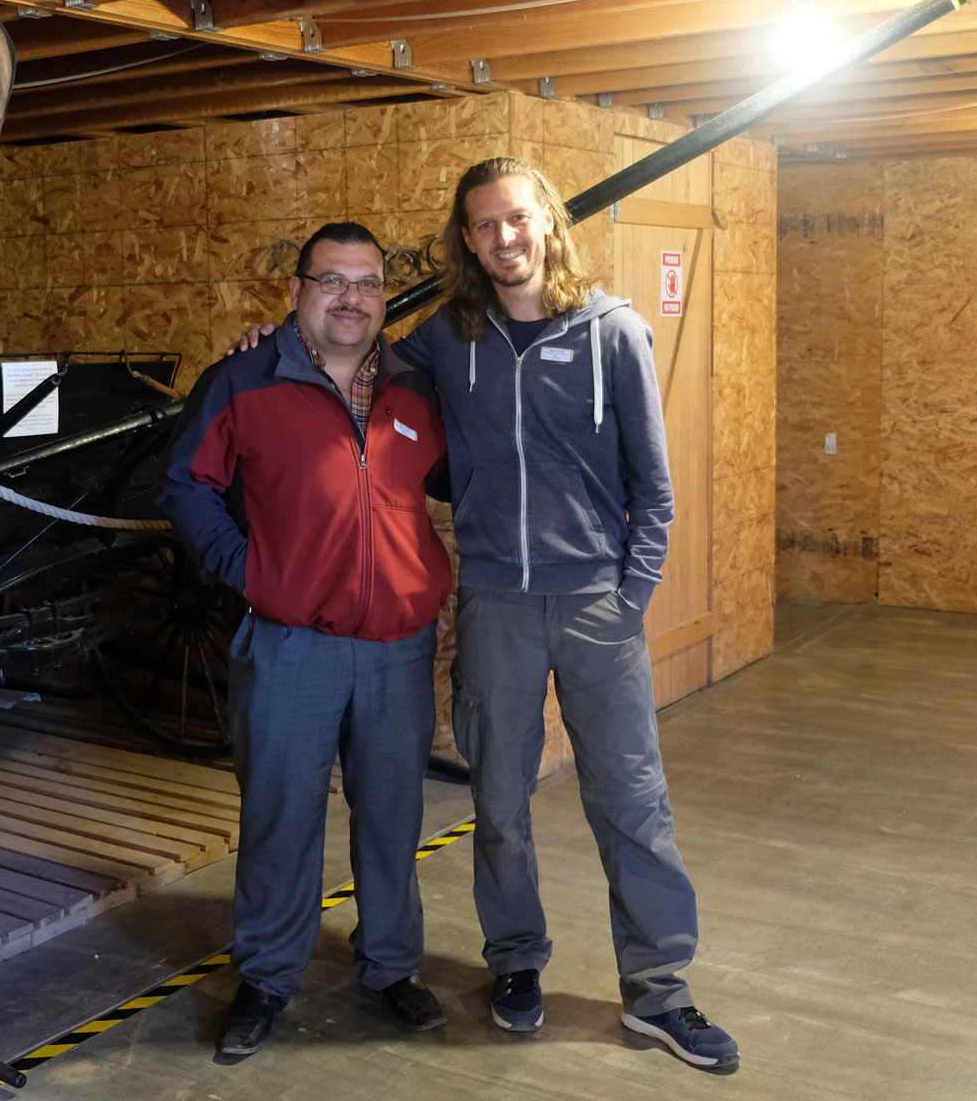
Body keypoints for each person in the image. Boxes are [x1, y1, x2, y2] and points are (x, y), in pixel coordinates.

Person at [230, 159, 737, 1070]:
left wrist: (631, 601)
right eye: (483, 226)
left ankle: (660, 991)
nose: (503, 238)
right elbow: (346, 348)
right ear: (468, 240)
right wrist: (267, 345)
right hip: (498, 603)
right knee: (500, 802)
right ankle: (515, 963)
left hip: (595, 607)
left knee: (631, 805)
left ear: (546, 220)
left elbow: (654, 491)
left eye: (516, 219)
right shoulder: (443, 342)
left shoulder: (613, 332)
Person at [159, 221, 454, 1060]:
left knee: (393, 814)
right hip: (289, 641)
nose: (351, 298)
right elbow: (185, 485)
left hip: (398, 644)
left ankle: (392, 966)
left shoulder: (414, 387)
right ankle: (267, 978)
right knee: (282, 816)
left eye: (367, 283)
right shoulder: (243, 380)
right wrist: (247, 571)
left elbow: (453, 477)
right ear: (296, 290)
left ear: (384, 297)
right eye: (333, 281)